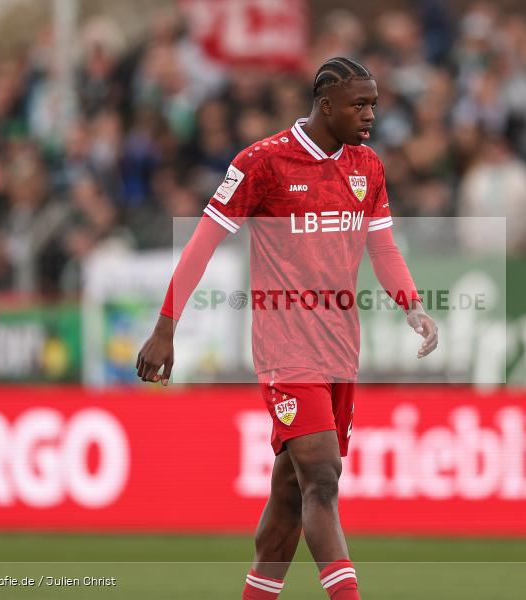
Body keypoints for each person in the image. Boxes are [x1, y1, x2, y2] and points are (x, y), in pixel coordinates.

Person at [135, 57, 438, 600]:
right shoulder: (264, 162)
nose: (370, 114)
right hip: (285, 346)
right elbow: (203, 242)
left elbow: (382, 245)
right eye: (359, 104)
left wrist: (412, 305)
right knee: (322, 478)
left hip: (340, 345)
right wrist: (166, 327)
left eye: (373, 103)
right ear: (325, 105)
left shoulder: (367, 165)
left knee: (290, 498)